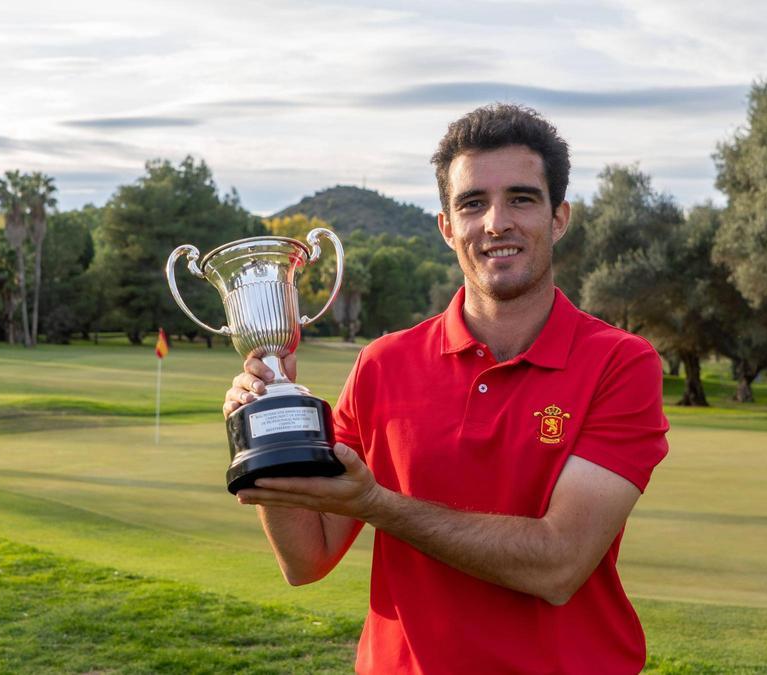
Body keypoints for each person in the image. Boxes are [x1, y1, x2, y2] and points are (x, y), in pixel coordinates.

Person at [223, 103, 669, 674]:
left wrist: (377, 505)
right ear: (446, 226)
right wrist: (262, 434)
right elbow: (306, 559)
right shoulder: (383, 364)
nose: (496, 223)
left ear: (559, 218)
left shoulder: (620, 363)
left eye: (521, 199)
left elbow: (558, 565)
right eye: (473, 203)